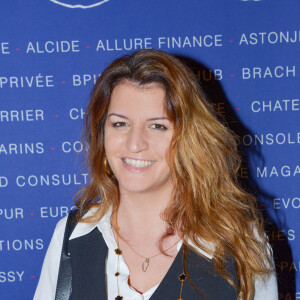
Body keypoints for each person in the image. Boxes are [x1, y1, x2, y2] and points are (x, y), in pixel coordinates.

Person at [34, 49, 278, 300]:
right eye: (120, 123)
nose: (135, 143)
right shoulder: (71, 236)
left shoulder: (241, 243)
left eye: (157, 126)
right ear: (101, 134)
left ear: (189, 137)